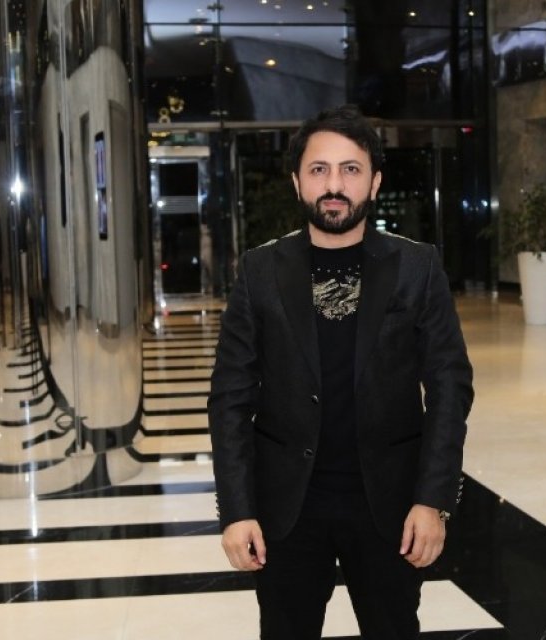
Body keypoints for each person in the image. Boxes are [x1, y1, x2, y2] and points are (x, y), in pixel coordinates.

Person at [208, 104, 474, 639]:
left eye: (350, 169)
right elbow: (230, 397)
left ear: (374, 182)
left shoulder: (417, 267)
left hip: (390, 506)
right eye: (319, 169)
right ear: (297, 181)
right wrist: (237, 510)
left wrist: (433, 500)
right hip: (287, 509)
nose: (334, 185)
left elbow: (450, 387)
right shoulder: (260, 271)